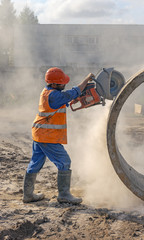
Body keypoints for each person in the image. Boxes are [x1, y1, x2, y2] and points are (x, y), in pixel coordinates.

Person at [23, 67, 94, 204]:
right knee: (64, 162)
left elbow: (64, 100)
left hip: (39, 133)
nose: (64, 84)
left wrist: (70, 99)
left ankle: (28, 195)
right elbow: (73, 92)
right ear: (54, 84)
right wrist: (87, 79)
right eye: (62, 83)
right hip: (47, 136)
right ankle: (64, 194)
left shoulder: (48, 92)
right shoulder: (55, 96)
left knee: (36, 163)